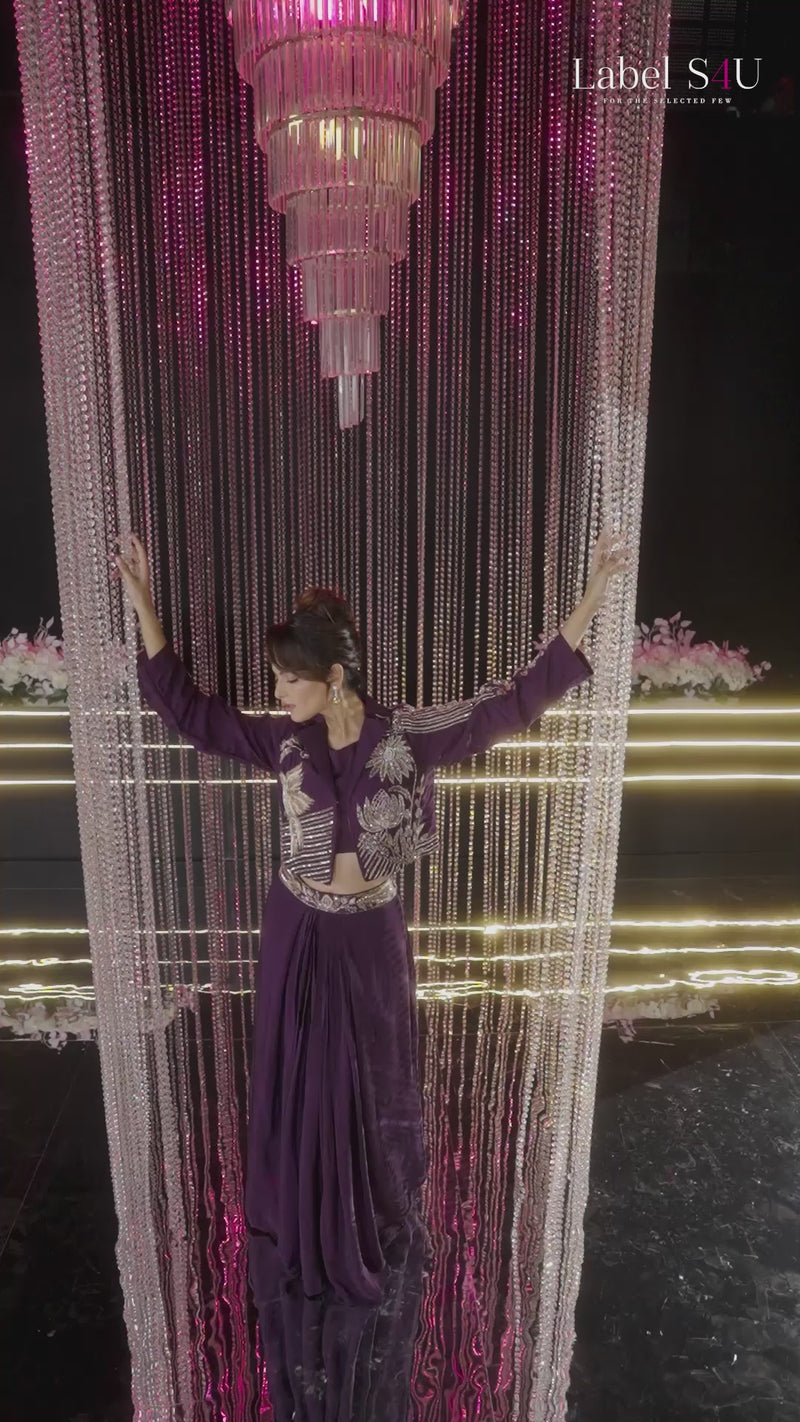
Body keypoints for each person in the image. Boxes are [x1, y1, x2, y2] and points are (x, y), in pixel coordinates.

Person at [112, 525, 629, 1304]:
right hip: (298, 928)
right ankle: (300, 1204)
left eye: (291, 678)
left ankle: (375, 1205)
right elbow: (191, 714)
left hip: (372, 933)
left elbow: (514, 703)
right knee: (300, 1071)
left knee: (375, 1073)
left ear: (334, 676)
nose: (279, 691)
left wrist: (592, 597)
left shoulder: (409, 735)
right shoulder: (282, 742)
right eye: (277, 678)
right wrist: (143, 602)